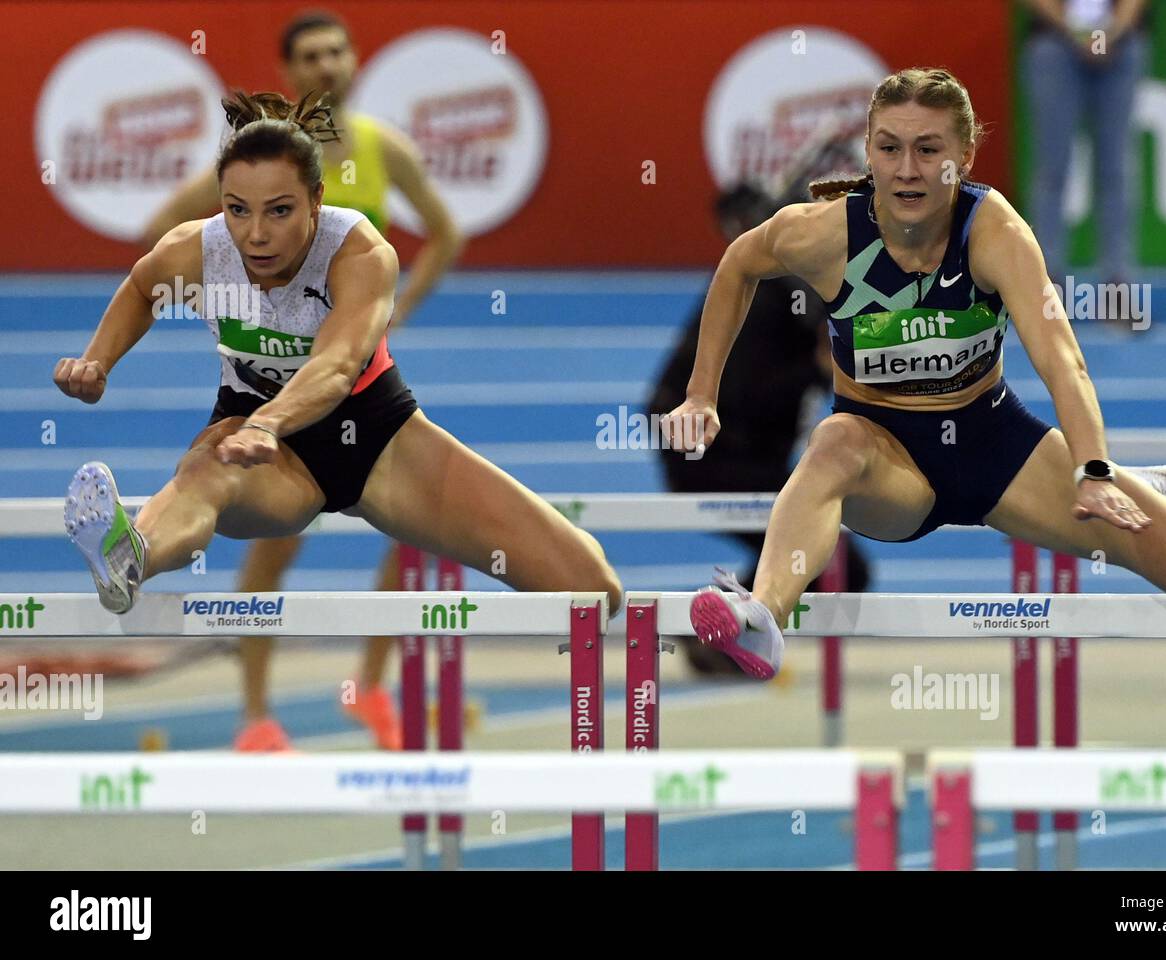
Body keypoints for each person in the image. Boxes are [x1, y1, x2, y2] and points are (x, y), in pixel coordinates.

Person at [661, 67, 1166, 680]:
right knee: (833, 441)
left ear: (963, 155)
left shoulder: (996, 233)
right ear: (870, 152)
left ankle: (1126, 479)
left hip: (994, 445)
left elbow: (1061, 360)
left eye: (927, 149)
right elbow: (738, 265)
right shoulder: (823, 234)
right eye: (890, 148)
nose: (907, 169)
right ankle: (761, 616)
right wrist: (703, 393)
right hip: (886, 460)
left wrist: (1092, 470)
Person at [55, 91, 622, 711]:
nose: (256, 234)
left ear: (318, 201)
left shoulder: (359, 253)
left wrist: (272, 422)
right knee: (203, 471)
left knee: (591, 589)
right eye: (237, 210)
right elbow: (142, 286)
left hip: (378, 438)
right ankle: (128, 557)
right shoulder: (198, 249)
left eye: (279, 211)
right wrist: (98, 362)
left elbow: (335, 365)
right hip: (256, 447)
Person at [142, 11, 463, 750]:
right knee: (275, 544)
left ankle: (374, 688)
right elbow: (164, 229)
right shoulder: (269, 159)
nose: (328, 66)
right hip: (272, 387)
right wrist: (224, 306)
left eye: (337, 51)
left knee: (419, 533)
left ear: (354, 60)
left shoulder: (385, 149)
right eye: (311, 56)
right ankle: (256, 715)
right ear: (289, 72)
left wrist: (396, 309)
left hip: (355, 380)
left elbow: (447, 230)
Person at [648, 182, 871, 675]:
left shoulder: (806, 293)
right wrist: (818, 367)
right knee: (842, 563)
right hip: (710, 457)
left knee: (834, 558)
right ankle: (730, 633)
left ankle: (730, 624)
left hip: (747, 455)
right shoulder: (768, 292)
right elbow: (747, 394)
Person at [1020, 0, 1151, 293]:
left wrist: (1110, 34)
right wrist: (1080, 34)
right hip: (1054, 43)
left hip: (1121, 46)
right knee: (1051, 169)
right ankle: (1045, 285)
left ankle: (1119, 286)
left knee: (1116, 169)